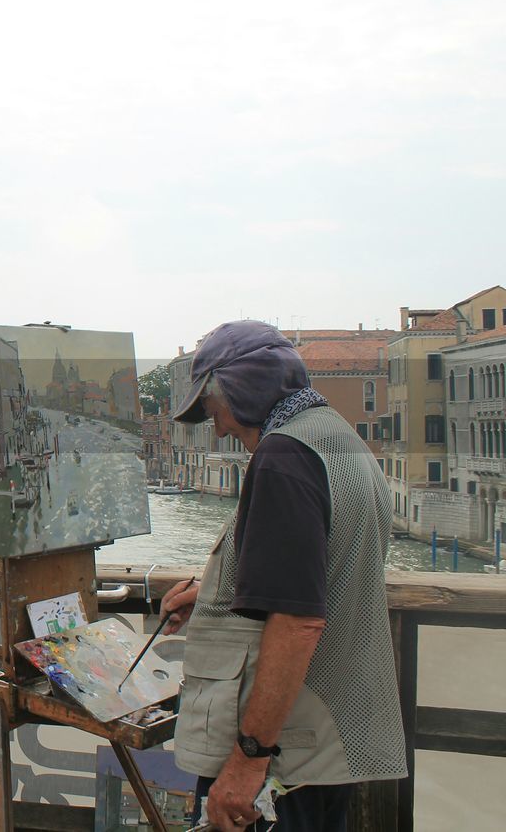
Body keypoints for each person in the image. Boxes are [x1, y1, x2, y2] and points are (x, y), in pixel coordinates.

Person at [162, 321, 406, 832]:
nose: (220, 429)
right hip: (325, 739)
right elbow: (324, 571)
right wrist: (215, 594)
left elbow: (298, 623)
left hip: (283, 751)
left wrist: (247, 761)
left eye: (214, 409)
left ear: (244, 389)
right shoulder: (340, 440)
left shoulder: (281, 456)